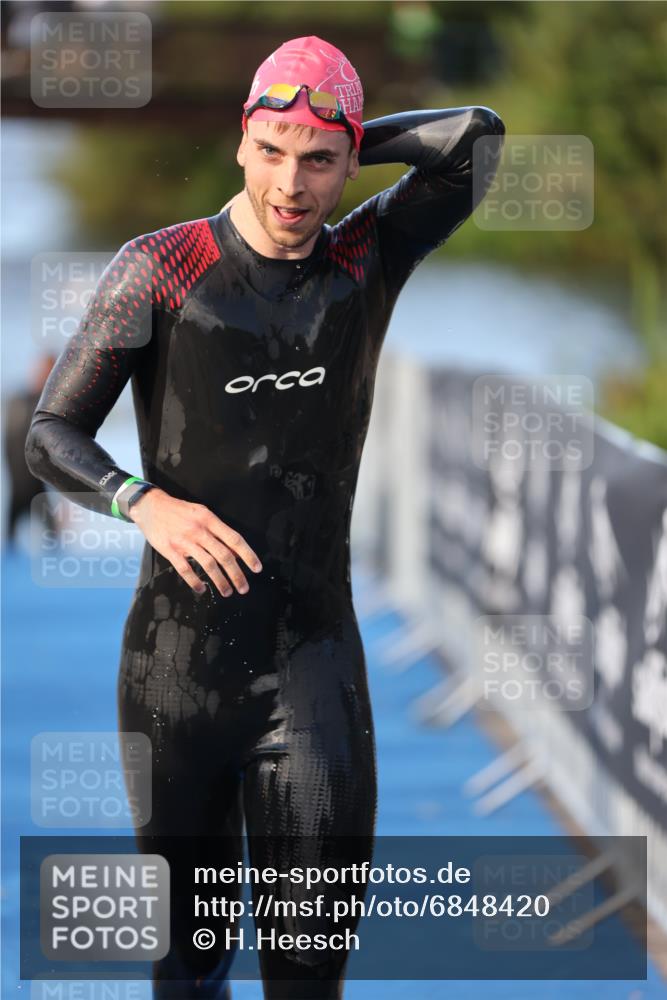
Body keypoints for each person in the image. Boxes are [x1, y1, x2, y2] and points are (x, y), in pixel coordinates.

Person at [25, 34, 504, 1000]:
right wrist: (140, 500)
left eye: (319, 161)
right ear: (240, 144)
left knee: (307, 975)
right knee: (191, 968)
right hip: (175, 677)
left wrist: (337, 127)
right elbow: (49, 435)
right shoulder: (159, 268)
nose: (292, 183)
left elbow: (474, 139)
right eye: (272, 150)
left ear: (348, 161)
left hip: (312, 670)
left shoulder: (368, 256)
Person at [4, 353, 58, 545]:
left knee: (53, 538)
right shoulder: (19, 401)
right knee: (10, 542)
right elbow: (10, 443)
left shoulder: (53, 404)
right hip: (19, 482)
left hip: (38, 482)